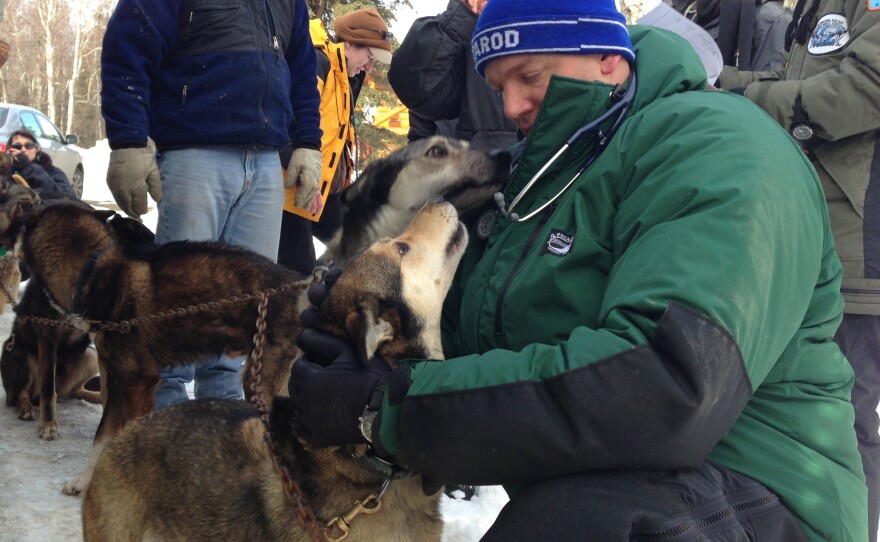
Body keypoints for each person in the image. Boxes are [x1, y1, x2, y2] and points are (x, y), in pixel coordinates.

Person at [287, 1, 868, 540]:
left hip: (762, 491)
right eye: (499, 86)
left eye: (530, 77)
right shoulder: (550, 177)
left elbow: (666, 384)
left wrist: (394, 406)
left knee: (565, 526)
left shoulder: (721, 147)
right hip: (629, 477)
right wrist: (358, 323)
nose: (510, 105)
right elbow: (469, 331)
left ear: (608, 57)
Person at [100, 0, 322, 407]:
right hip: (194, 151)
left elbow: (302, 68)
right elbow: (128, 47)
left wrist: (307, 141)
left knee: (246, 311)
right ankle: (160, 429)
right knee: (175, 305)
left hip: (266, 161)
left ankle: (219, 428)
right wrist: (129, 139)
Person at [717, 0, 880, 538]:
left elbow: (864, 90)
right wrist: (722, 80)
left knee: (843, 424)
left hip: (861, 252)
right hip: (818, 242)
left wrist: (754, 98)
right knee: (805, 417)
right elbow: (796, 78)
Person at [277, 7, 392, 276]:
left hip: (328, 190)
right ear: (349, 44)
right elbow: (292, 121)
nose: (369, 67)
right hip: (296, 187)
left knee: (358, 245)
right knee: (297, 269)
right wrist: (305, 177)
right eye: (369, 57)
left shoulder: (347, 76)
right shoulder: (319, 63)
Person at [388, 0, 517, 151]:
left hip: (536, 165)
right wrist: (463, 14)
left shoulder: (544, 26)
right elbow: (415, 87)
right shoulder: (460, 32)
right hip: (463, 163)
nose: (513, 108)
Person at [6, 129, 75, 200]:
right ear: (9, 150)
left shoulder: (53, 172)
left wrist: (27, 167)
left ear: (37, 149)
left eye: (29, 146)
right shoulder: (4, 173)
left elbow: (65, 197)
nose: (23, 150)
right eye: (17, 146)